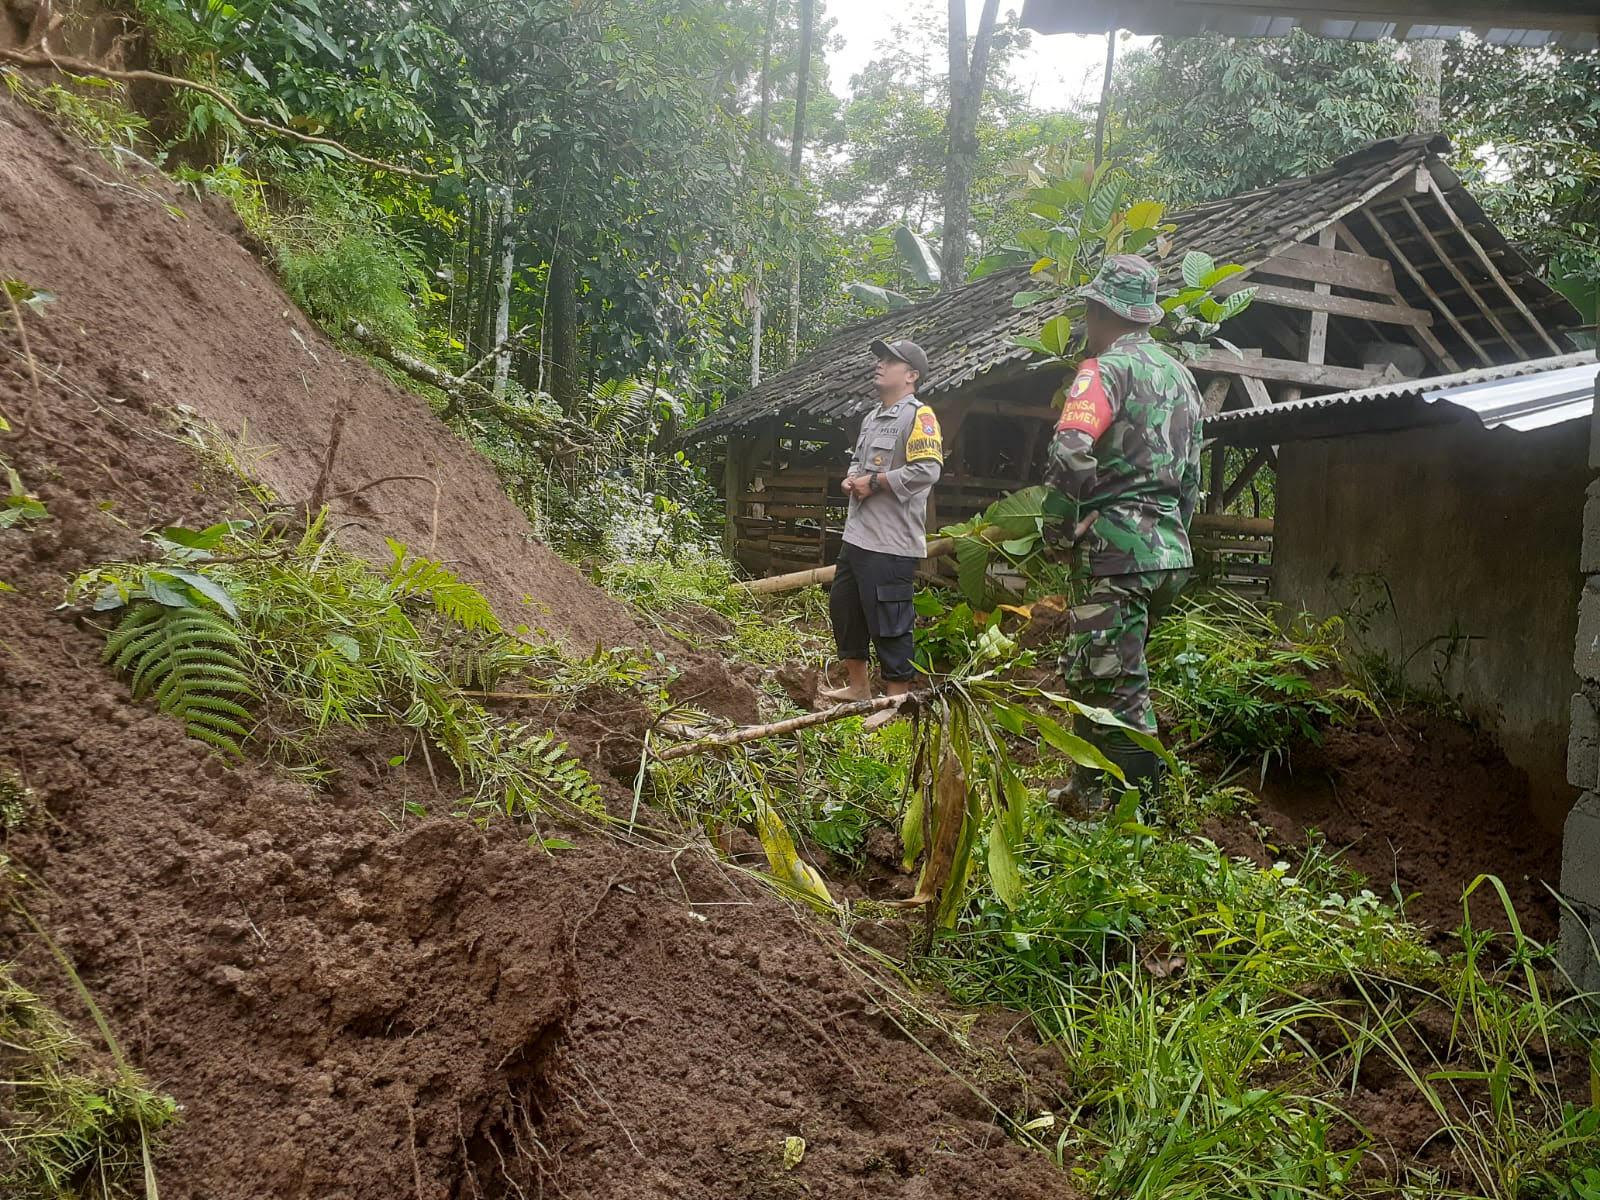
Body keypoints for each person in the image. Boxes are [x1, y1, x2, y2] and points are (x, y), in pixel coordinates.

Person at [1046, 254, 1202, 804]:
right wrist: (1167, 538)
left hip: (1117, 552)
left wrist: (1060, 529)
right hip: (1166, 555)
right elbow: (1192, 478)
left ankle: (1141, 813)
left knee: (1118, 681)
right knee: (1093, 666)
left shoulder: (1103, 370)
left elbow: (1069, 451)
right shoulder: (1182, 378)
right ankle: (1088, 787)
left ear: (1097, 310)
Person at [819, 338, 943, 730]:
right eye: (880, 359)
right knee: (845, 608)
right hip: (857, 536)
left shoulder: (920, 417)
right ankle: (858, 688)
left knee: (890, 619)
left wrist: (875, 482)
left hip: (891, 542)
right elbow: (858, 460)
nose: (880, 365)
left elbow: (927, 470)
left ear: (911, 376)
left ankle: (896, 700)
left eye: (891, 361)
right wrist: (852, 478)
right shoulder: (872, 417)